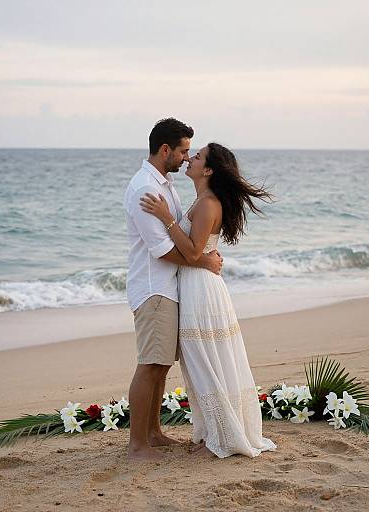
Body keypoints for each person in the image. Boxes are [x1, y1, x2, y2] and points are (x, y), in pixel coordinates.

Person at [140, 142, 277, 458]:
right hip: (196, 285)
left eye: (197, 157)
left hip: (201, 290)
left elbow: (191, 251)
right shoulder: (202, 200)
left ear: (210, 169)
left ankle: (223, 437)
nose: (190, 158)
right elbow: (198, 251)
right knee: (202, 360)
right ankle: (213, 432)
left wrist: (166, 217)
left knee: (205, 360)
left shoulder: (208, 204)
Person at [123, 119, 223, 461]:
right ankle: (137, 445)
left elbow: (182, 234)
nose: (186, 157)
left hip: (170, 287)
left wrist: (200, 256)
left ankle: (153, 433)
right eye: (182, 151)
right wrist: (205, 262)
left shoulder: (165, 184)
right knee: (150, 364)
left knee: (161, 364)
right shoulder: (145, 189)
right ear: (165, 149)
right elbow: (162, 249)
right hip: (154, 288)